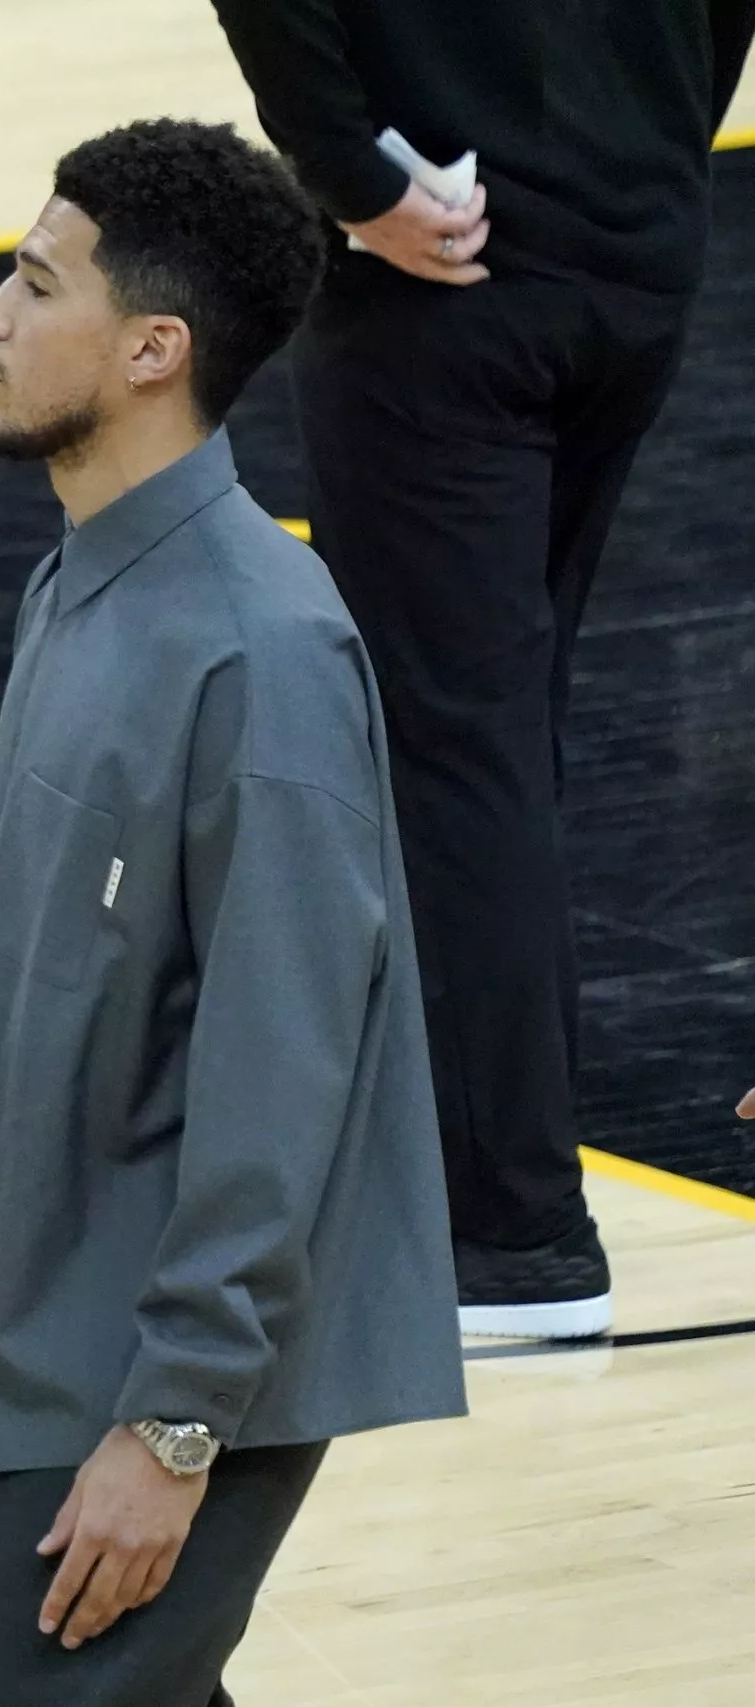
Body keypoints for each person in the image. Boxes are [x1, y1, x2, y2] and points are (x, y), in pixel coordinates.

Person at [0, 120, 465, 1706]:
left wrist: (178, 1419)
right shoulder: (80, 582)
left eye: (33, 280)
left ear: (152, 348)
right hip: (75, 1305)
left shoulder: (265, 654)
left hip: (188, 1360)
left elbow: (288, 1075)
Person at [209, 0, 755, 1340]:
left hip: (447, 262)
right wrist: (647, 156)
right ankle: (449, 1182)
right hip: (634, 247)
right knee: (501, 726)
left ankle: (511, 1240)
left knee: (452, 741)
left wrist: (355, 177)